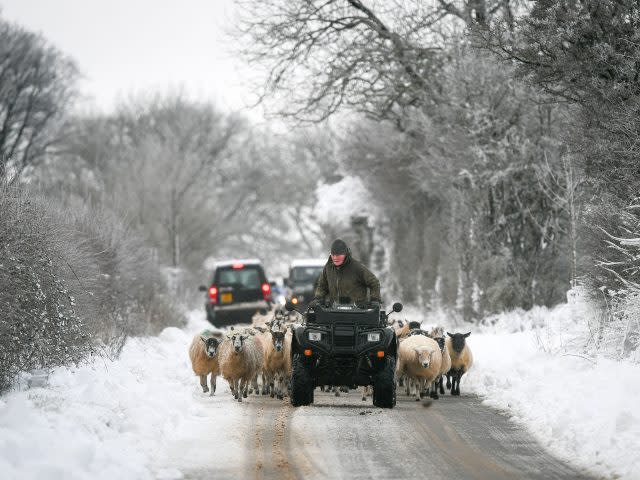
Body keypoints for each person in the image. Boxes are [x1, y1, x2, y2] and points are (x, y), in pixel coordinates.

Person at [313, 238, 381, 306]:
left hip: (357, 312)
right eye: (333, 255)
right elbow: (322, 285)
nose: (335, 258)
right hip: (334, 311)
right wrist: (318, 298)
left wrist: (375, 299)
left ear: (345, 254)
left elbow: (374, 282)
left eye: (338, 255)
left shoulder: (357, 267)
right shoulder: (328, 267)